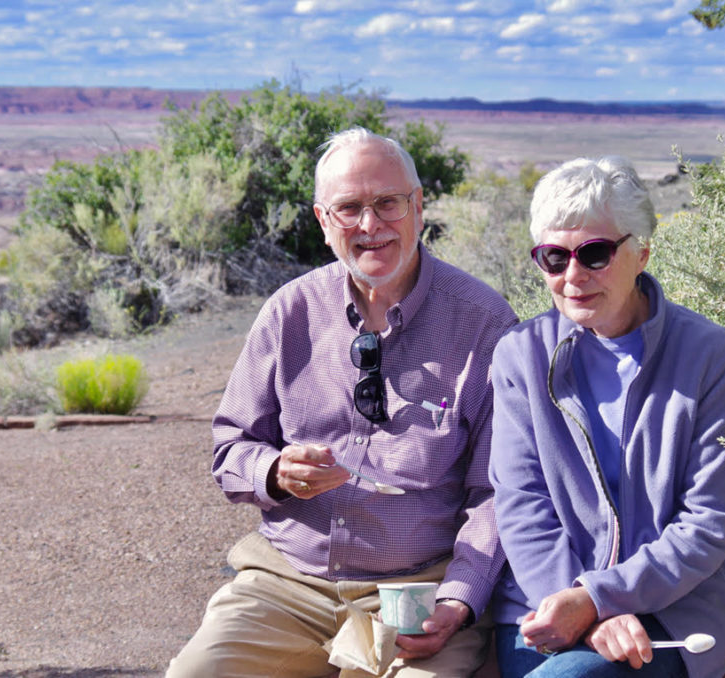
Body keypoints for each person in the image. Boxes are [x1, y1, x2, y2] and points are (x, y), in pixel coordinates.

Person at [165, 127, 518, 678]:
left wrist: (461, 597)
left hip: (418, 590)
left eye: (387, 203)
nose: (371, 225)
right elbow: (230, 450)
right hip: (287, 584)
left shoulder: (484, 323)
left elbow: (495, 493)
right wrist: (275, 470)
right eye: (349, 208)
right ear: (324, 222)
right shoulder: (290, 312)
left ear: (418, 207)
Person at [488, 156, 725, 678]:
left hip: (671, 613)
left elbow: (709, 522)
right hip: (544, 605)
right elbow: (521, 505)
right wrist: (578, 606)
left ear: (642, 252)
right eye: (554, 258)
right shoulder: (520, 355)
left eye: (595, 253)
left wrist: (596, 598)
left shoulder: (709, 355)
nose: (573, 276)